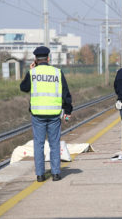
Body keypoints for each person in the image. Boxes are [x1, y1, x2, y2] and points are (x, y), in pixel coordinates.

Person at [20, 46, 73, 182]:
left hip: (38, 114)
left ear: (36, 59)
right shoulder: (57, 72)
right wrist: (68, 110)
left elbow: (23, 88)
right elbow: (65, 93)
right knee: (54, 143)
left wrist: (30, 71)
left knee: (39, 144)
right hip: (54, 114)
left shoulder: (32, 73)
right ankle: (56, 174)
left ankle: (40, 175)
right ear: (48, 58)